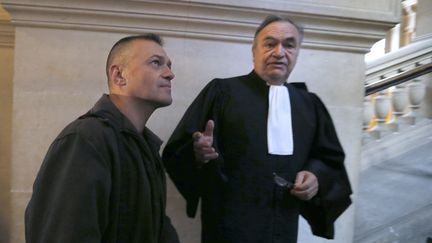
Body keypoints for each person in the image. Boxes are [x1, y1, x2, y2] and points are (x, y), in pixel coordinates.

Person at [162, 15, 352, 243]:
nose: (280, 52)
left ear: (297, 54)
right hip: (229, 229)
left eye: (289, 45)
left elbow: (329, 160)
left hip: (284, 227)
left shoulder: (309, 105)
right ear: (254, 52)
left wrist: (315, 176)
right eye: (270, 44)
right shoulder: (222, 92)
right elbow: (176, 152)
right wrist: (197, 154)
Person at [25, 34, 180, 243]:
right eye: (156, 63)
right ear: (119, 75)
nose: (170, 74)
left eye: (168, 65)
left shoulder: (146, 149)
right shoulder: (85, 139)